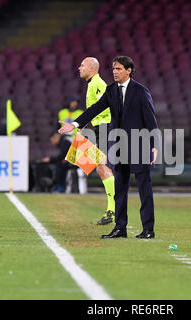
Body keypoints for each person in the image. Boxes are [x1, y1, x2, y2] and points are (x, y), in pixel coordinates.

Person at [59, 56, 159, 239]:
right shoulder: (111, 90)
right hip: (119, 144)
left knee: (144, 187)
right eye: (114, 68)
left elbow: (151, 120)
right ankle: (120, 228)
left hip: (139, 143)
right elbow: (95, 109)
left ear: (128, 71)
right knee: (120, 188)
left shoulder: (141, 91)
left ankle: (148, 229)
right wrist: (74, 124)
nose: (114, 72)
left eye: (119, 69)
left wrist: (154, 145)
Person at [78, 57, 116, 225]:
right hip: (99, 128)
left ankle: (113, 210)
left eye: (82, 65)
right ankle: (113, 208)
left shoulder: (98, 84)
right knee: (98, 165)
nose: (79, 68)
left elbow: (107, 105)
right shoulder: (92, 84)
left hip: (105, 128)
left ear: (92, 68)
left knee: (102, 165)